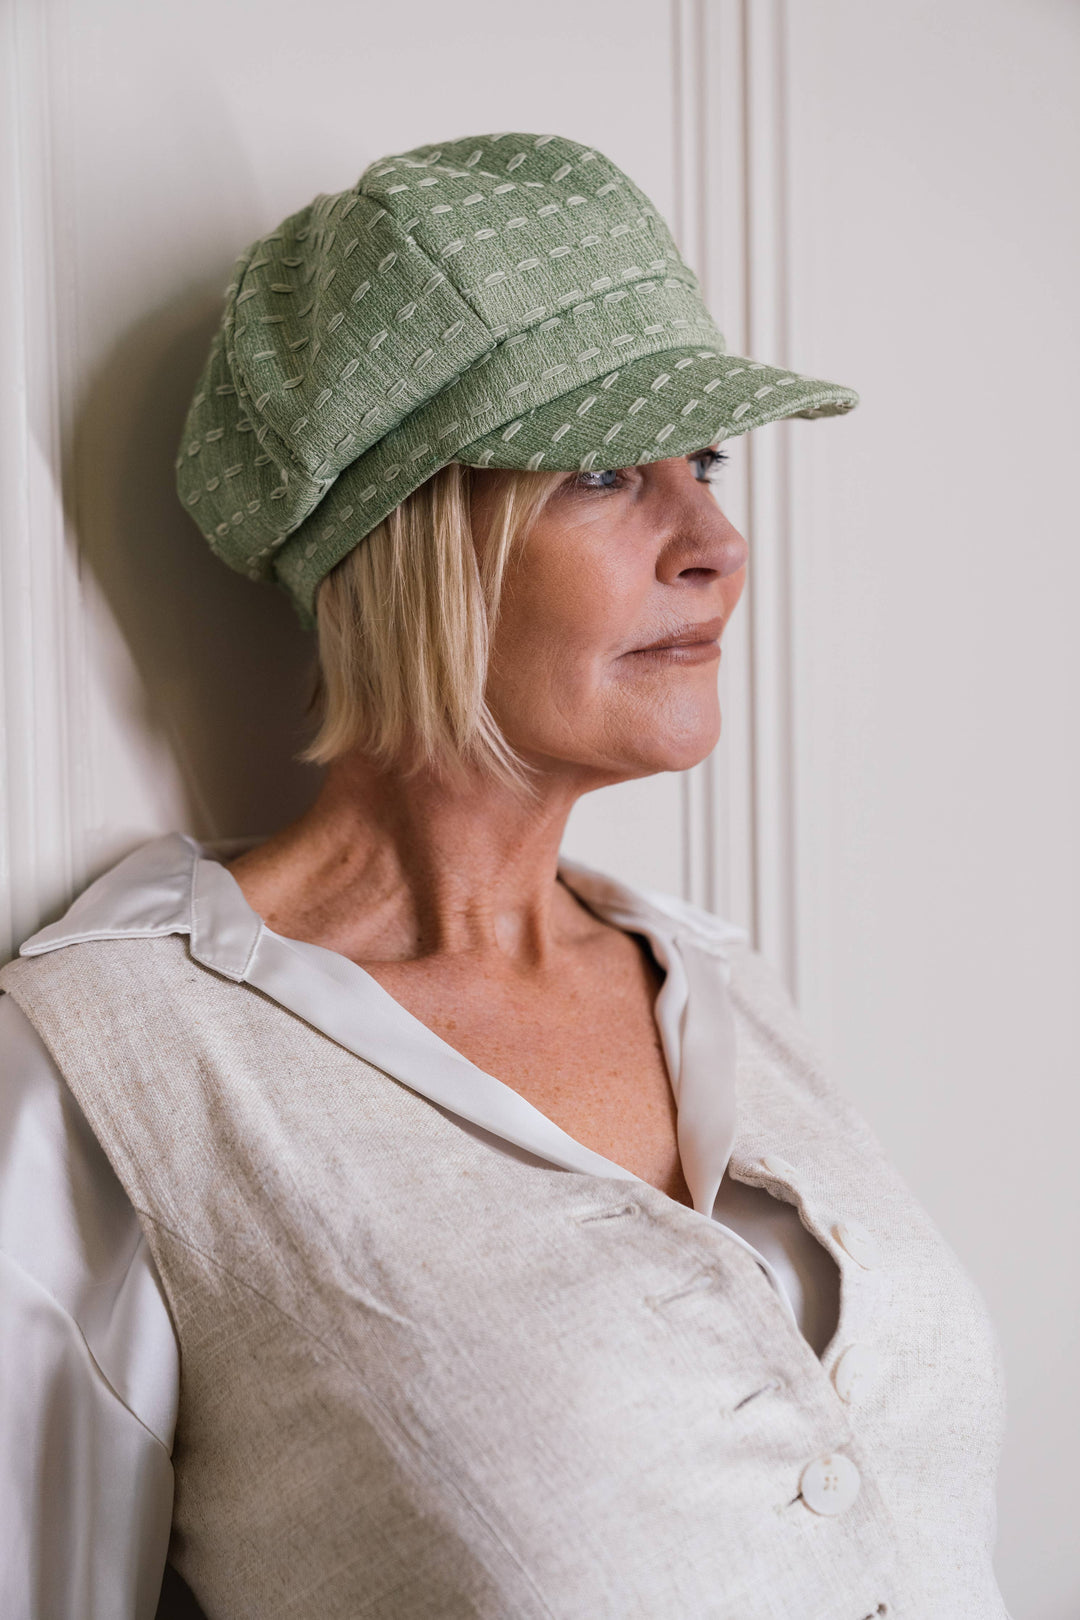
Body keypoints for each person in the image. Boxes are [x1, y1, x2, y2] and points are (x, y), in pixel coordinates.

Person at [0, 130, 1010, 1620]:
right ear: (400, 534)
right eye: (607, 470)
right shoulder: (122, 1070)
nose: (716, 544)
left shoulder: (718, 983)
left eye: (707, 461)